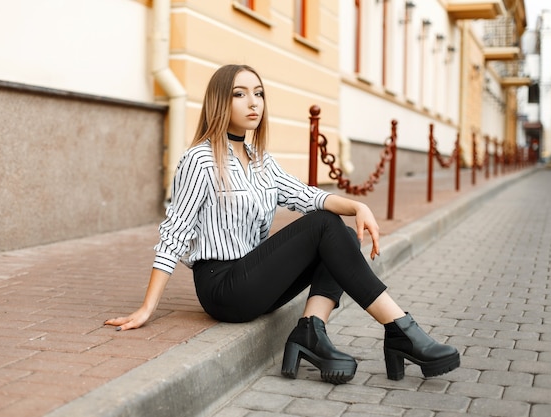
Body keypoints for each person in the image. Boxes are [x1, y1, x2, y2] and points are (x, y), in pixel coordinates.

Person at [105, 64, 460, 383]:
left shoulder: (262, 161)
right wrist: (147, 307)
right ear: (219, 102)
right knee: (324, 226)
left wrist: (357, 205)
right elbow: (175, 231)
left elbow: (309, 196)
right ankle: (400, 329)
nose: (253, 103)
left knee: (342, 233)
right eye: (240, 94)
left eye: (258, 94)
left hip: (254, 279)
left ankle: (311, 330)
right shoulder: (200, 159)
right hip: (222, 287)